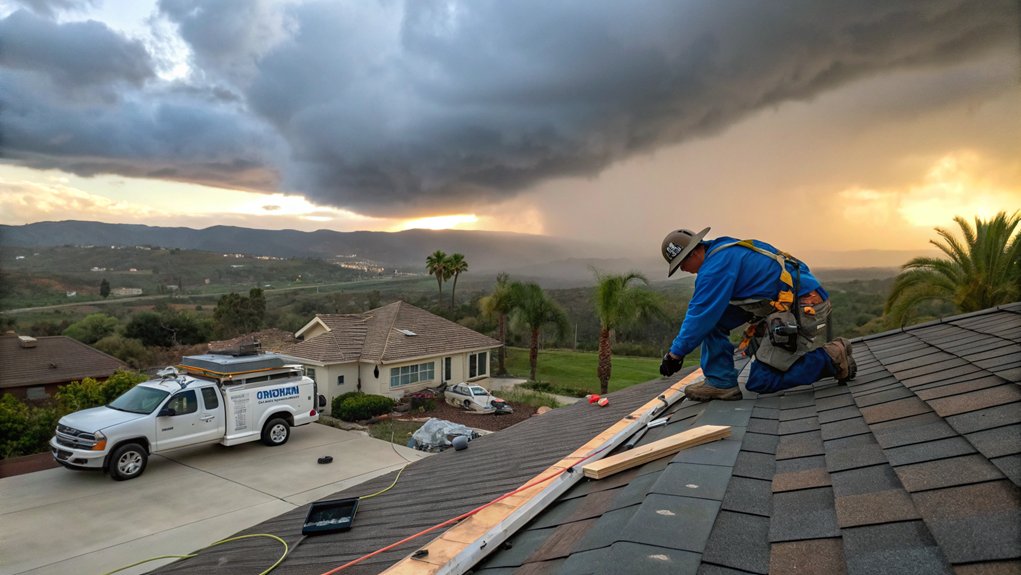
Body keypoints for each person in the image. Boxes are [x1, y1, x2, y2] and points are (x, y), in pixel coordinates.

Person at [658, 227, 856, 401]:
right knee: (714, 321)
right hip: (786, 303)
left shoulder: (714, 268)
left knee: (761, 380)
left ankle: (832, 357)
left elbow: (699, 314)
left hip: (805, 307)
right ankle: (721, 382)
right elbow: (708, 318)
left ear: (692, 253)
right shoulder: (723, 249)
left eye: (682, 264)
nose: (683, 269)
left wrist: (675, 355)